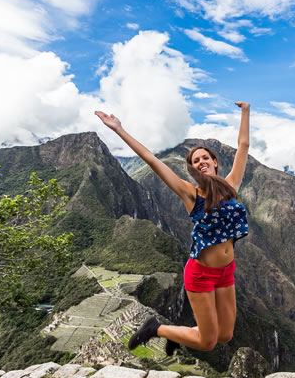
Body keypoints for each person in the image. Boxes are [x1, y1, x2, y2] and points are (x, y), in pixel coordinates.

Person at [94, 102, 251, 355]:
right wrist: (118, 129)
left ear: (215, 162)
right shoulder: (190, 194)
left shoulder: (231, 185)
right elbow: (151, 160)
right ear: (192, 169)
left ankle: (180, 334)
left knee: (225, 334)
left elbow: (243, 146)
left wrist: (245, 111)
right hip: (200, 273)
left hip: (226, 271)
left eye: (205, 158)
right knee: (207, 342)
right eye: (195, 161)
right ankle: (157, 329)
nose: (201, 162)